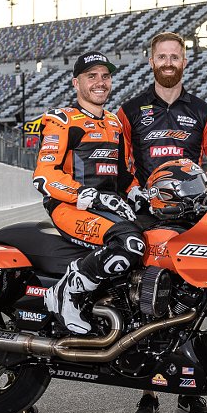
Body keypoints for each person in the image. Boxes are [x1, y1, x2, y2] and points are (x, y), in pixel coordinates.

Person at [116, 31, 207, 413]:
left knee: (192, 302)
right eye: (161, 56)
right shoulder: (130, 110)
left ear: (184, 62)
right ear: (151, 61)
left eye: (174, 56)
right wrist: (137, 194)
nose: (168, 62)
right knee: (146, 300)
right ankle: (146, 391)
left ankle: (187, 393)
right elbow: (122, 163)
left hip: (191, 220)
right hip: (147, 217)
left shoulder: (202, 111)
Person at [33, 51, 147, 336]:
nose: (100, 82)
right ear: (76, 83)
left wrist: (139, 193)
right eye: (91, 76)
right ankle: (64, 293)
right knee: (130, 243)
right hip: (70, 208)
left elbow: (123, 176)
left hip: (109, 208)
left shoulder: (114, 123)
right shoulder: (61, 121)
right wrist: (89, 195)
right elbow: (43, 176)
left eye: (105, 76)